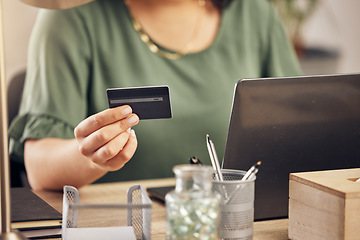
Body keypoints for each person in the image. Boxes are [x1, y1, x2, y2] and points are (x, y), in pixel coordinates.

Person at [9, 0, 302, 190]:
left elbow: (302, 127)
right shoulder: (69, 15)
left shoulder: (256, 14)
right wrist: (94, 157)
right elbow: (39, 169)